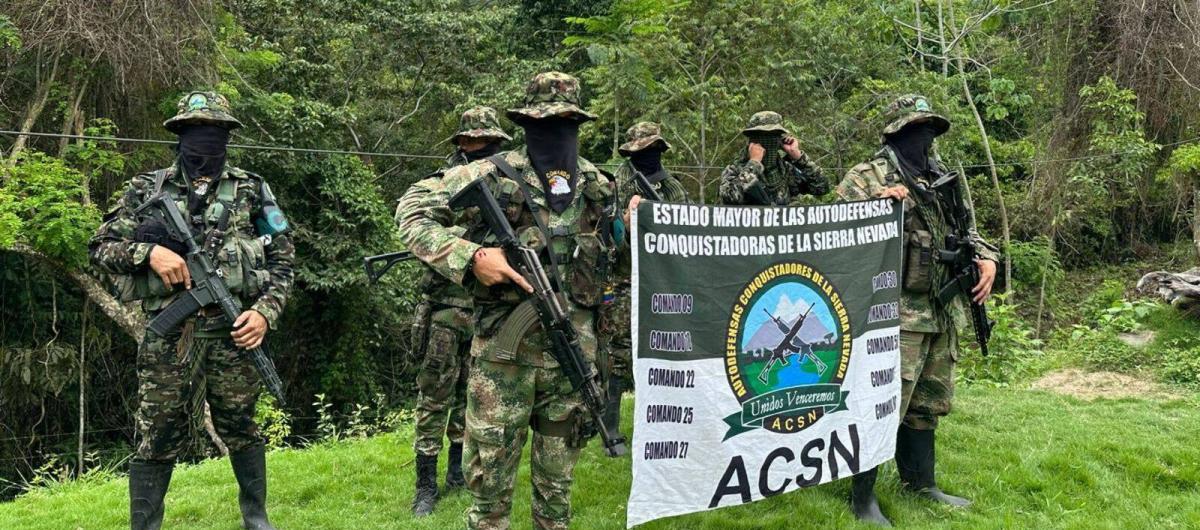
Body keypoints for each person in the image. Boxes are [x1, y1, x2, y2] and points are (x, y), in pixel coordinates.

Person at [396, 71, 631, 530]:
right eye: (545, 122)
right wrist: (471, 255)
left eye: (565, 122)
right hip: (503, 363)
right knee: (489, 502)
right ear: (526, 124)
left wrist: (636, 225)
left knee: (557, 497)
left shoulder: (600, 187)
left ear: (578, 124)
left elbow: (619, 264)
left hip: (573, 362)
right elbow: (410, 210)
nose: (555, 131)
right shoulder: (486, 173)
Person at [89, 91, 295, 530]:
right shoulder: (147, 189)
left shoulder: (253, 190)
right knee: (158, 433)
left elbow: (283, 260)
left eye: (215, 133)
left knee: (241, 426)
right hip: (168, 337)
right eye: (196, 132)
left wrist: (264, 313)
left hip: (233, 335)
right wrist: (149, 253)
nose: (205, 142)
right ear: (179, 136)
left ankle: (256, 519)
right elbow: (101, 248)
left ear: (227, 138)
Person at [836, 94, 998, 526]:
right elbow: (834, 234)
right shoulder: (867, 176)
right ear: (894, 132)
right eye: (914, 129)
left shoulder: (943, 176)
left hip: (943, 306)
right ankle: (862, 496)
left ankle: (920, 484)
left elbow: (969, 229)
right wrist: (877, 208)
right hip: (893, 311)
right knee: (883, 401)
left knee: (927, 401)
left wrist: (987, 258)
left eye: (929, 129)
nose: (924, 138)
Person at [410, 105, 512, 516]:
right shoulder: (438, 185)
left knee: (472, 397)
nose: (479, 150)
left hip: (487, 313)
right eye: (473, 143)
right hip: (443, 312)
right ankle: (424, 485)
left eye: (488, 145)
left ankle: (456, 471)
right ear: (461, 144)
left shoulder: (506, 186)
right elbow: (421, 234)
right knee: (433, 397)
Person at [598, 121, 689, 433]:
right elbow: (604, 236)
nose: (651, 154)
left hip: (663, 280)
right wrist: (623, 222)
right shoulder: (613, 184)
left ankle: (663, 423)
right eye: (645, 149)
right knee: (619, 351)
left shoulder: (672, 186)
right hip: (624, 278)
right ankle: (610, 425)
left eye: (655, 149)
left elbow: (687, 226)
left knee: (667, 349)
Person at [718, 111, 828, 205]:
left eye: (774, 135)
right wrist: (754, 163)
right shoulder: (735, 170)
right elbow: (730, 199)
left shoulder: (786, 170)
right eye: (761, 136)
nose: (768, 141)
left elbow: (821, 187)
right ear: (752, 141)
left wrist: (798, 156)